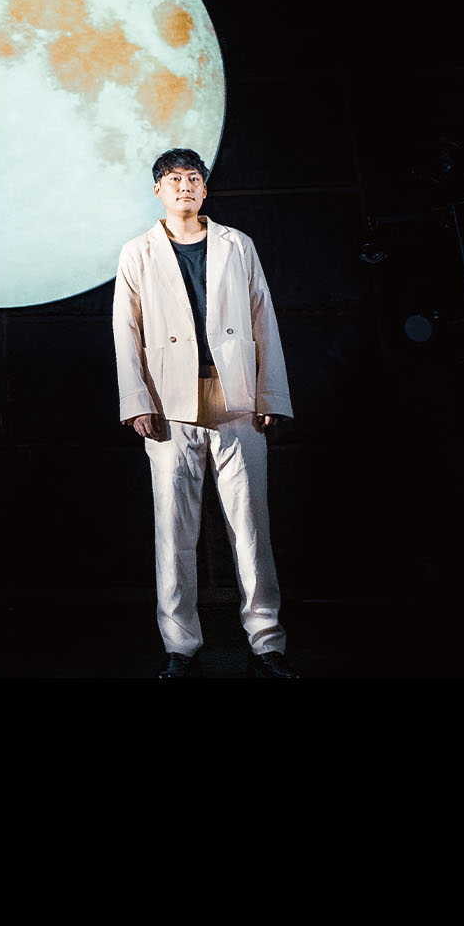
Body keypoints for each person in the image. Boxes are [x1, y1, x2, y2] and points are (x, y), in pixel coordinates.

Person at [114, 148, 298, 678]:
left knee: (251, 526)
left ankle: (266, 643)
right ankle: (180, 647)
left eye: (193, 178)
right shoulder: (138, 252)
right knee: (173, 530)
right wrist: (136, 401)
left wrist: (271, 395)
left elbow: (263, 316)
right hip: (169, 401)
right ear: (158, 190)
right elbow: (125, 329)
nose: (185, 187)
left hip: (234, 395)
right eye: (174, 179)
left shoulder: (237, 244)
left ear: (205, 188)